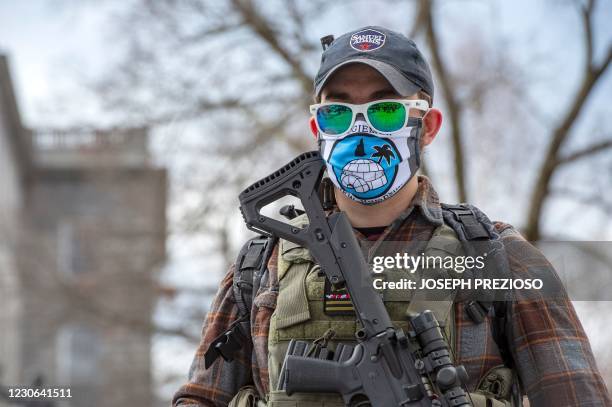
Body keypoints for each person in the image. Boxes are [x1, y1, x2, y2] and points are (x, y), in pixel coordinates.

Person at [172, 26, 610, 407]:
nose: (360, 130)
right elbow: (200, 398)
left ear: (429, 126)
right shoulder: (259, 264)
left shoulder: (498, 257)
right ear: (318, 130)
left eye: (386, 109)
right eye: (338, 111)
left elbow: (576, 395)